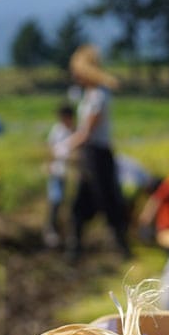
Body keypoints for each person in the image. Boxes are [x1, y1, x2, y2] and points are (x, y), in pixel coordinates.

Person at [62, 44, 131, 260]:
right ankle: (75, 249)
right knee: (81, 202)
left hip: (98, 155)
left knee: (108, 200)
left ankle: (122, 248)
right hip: (89, 156)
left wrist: (65, 145)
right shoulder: (89, 95)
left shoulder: (99, 96)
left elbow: (87, 132)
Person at [44, 103, 76, 248]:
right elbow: (50, 149)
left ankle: (68, 233)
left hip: (71, 174)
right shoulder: (57, 130)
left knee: (70, 205)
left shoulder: (76, 131)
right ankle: (51, 230)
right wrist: (49, 164)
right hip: (58, 171)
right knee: (56, 200)